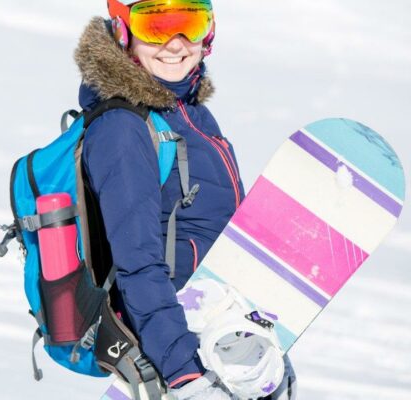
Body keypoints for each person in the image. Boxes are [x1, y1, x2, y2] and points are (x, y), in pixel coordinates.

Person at [74, 1, 296, 398]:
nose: (176, 44)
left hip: (219, 334)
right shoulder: (122, 128)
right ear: (123, 31)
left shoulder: (187, 111)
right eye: (156, 26)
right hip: (175, 348)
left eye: (189, 23)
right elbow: (137, 262)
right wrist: (184, 374)